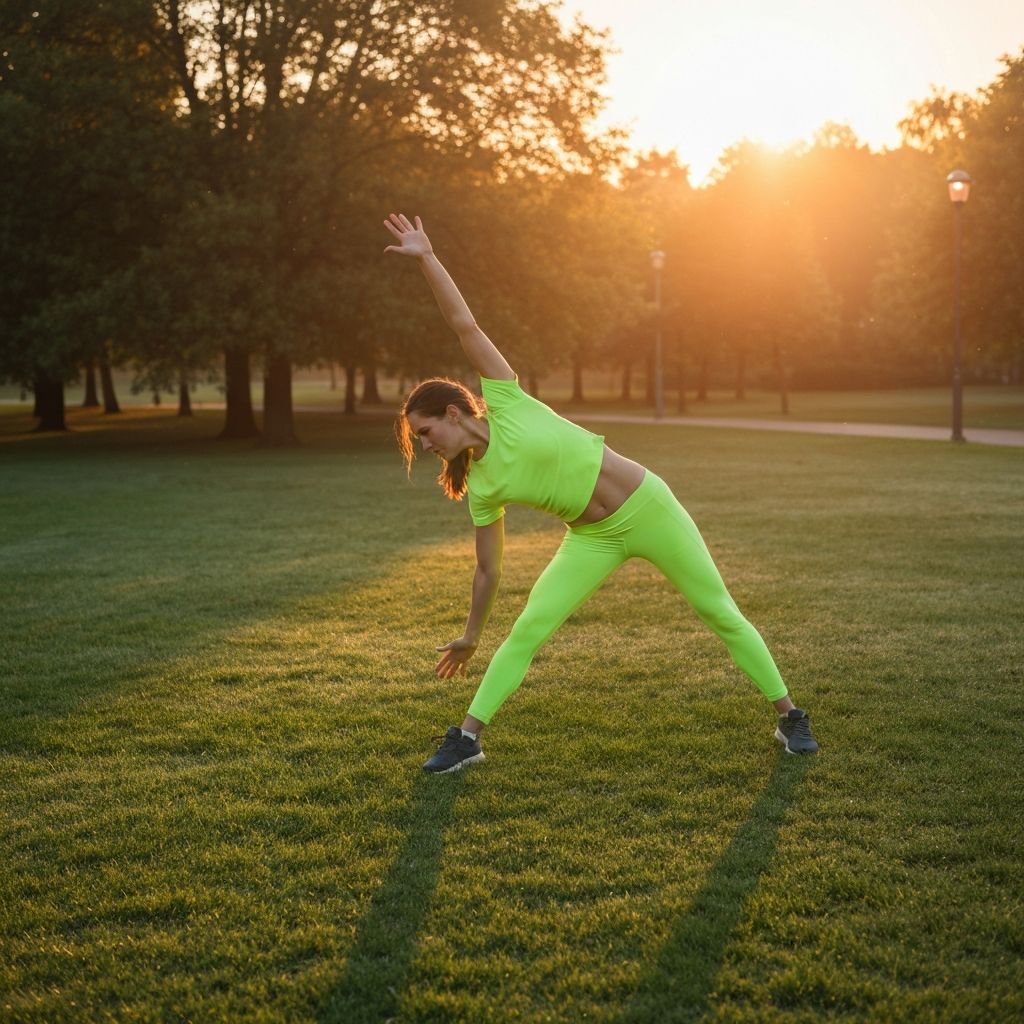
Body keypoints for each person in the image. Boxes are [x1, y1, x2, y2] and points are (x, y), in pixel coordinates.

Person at [383, 213, 819, 774]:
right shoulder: (482, 486)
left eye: (426, 434)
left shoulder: (509, 401)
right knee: (528, 629)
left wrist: (427, 258)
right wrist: (470, 635)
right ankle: (467, 738)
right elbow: (488, 571)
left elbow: (465, 326)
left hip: (649, 507)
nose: (427, 446)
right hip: (592, 538)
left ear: (452, 412)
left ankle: (789, 717)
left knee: (720, 612)